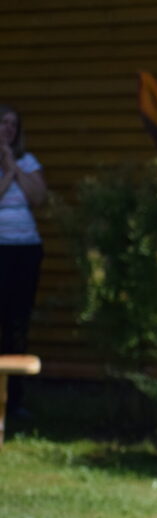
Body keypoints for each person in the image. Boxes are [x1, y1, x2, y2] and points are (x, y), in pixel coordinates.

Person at [0, 104, 47, 417]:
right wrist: (7, 170)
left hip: (26, 249)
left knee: (17, 322)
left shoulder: (28, 162)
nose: (8, 129)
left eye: (13, 125)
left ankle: (13, 400)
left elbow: (38, 197)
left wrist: (13, 165)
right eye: (3, 123)